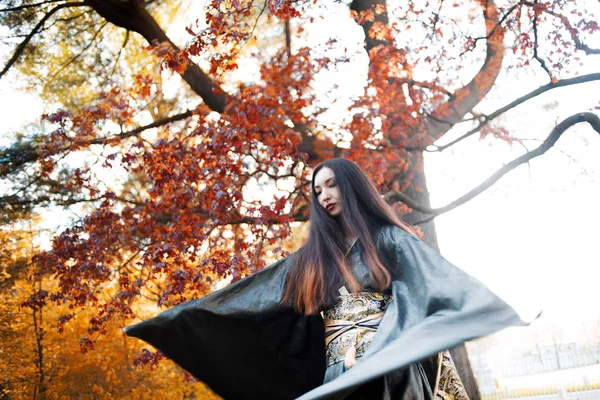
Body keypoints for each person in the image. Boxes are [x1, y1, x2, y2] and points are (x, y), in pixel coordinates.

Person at [125, 158, 525, 400]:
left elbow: (432, 283)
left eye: (332, 184)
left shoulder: (388, 240)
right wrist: (176, 320)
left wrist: (485, 309)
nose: (325, 194)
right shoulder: (311, 260)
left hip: (390, 368)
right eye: (318, 190)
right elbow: (251, 297)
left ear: (351, 186)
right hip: (340, 375)